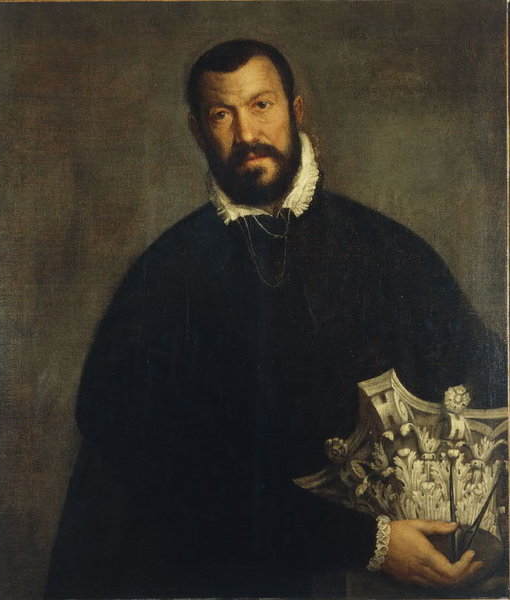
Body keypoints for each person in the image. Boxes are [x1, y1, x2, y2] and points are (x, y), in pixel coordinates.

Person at [46, 39, 506, 599]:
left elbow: (485, 397)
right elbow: (154, 471)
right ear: (197, 131)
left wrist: (484, 533)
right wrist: (370, 542)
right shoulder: (165, 277)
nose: (247, 134)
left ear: (296, 109)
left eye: (261, 105)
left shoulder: (389, 251)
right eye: (223, 114)